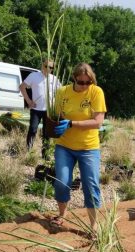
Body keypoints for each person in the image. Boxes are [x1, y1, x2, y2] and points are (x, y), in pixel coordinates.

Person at [51, 63, 106, 230]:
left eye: (88, 82)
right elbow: (56, 116)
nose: (84, 86)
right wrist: (53, 125)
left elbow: (98, 122)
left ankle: (93, 225)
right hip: (64, 146)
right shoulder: (62, 92)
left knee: (91, 185)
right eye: (80, 82)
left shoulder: (96, 92)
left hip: (88, 147)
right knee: (62, 182)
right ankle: (61, 214)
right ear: (73, 78)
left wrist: (72, 123)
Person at [19, 60, 60, 159]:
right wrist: (28, 101)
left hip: (49, 110)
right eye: (46, 66)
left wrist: (58, 107)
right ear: (42, 65)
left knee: (47, 133)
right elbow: (22, 87)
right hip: (36, 109)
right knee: (32, 129)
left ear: (53, 69)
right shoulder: (34, 76)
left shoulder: (54, 79)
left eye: (51, 67)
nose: (48, 69)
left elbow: (60, 93)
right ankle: (28, 152)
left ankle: (45, 155)